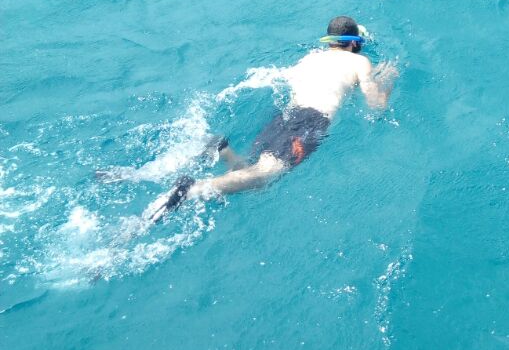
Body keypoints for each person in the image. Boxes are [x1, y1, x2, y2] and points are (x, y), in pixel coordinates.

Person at [145, 16, 397, 223]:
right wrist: (387, 82)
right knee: (264, 175)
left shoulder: (310, 58)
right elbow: (375, 106)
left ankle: (224, 151)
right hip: (312, 121)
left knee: (256, 178)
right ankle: (193, 190)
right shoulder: (359, 61)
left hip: (285, 116)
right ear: (354, 43)